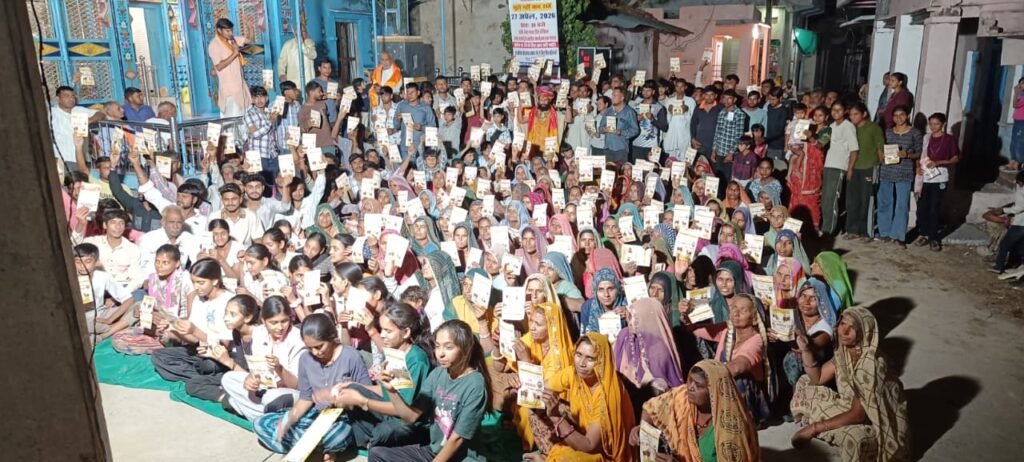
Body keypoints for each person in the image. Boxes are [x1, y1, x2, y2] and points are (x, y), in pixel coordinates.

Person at [790, 307, 910, 462]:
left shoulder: (870, 366)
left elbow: (858, 415)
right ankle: (828, 426)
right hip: (849, 405)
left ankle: (826, 428)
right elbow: (818, 378)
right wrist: (806, 350)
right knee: (805, 381)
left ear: (865, 333)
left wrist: (813, 429)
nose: (844, 331)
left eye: (852, 328)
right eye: (842, 324)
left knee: (853, 440)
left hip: (872, 420)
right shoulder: (845, 352)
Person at [365, 320, 491, 461]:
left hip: (462, 457)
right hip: (434, 451)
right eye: (437, 346)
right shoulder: (437, 374)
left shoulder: (475, 384)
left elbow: (457, 439)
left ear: (465, 349)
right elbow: (411, 416)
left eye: (448, 347)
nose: (440, 353)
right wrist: (392, 391)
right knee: (377, 454)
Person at [253, 313, 372, 457]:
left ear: (332, 337)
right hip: (317, 415)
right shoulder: (305, 359)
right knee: (260, 423)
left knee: (338, 436)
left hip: (344, 418)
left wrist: (339, 395)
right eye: (310, 348)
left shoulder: (351, 356)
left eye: (319, 346)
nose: (315, 352)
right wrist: (289, 419)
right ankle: (315, 447)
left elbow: (368, 393)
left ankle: (309, 446)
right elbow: (306, 398)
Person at [526, 333, 636, 462]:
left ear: (601, 361)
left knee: (569, 459)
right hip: (585, 433)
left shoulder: (607, 396)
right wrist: (524, 385)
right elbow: (540, 389)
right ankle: (549, 454)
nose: (581, 363)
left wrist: (556, 418)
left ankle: (549, 459)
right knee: (536, 406)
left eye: (590, 358)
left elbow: (589, 446)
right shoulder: (574, 373)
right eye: (578, 355)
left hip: (605, 453)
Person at [633, 360, 760, 462]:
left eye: (698, 385)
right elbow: (651, 408)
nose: (690, 388)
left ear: (714, 392)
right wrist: (643, 429)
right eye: (690, 381)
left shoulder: (732, 429)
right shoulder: (682, 397)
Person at [876, 105, 922, 248]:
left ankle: (899, 235)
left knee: (902, 205)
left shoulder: (915, 133)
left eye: (902, 115)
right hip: (886, 171)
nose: (899, 118)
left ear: (907, 115)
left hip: (904, 172)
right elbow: (881, 149)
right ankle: (884, 232)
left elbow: (919, 153)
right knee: (885, 202)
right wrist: (881, 155)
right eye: (896, 115)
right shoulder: (888, 132)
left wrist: (908, 155)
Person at [916, 112, 960, 251]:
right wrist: (918, 168)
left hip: (940, 177)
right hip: (925, 177)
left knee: (934, 208)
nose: (933, 127)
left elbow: (956, 158)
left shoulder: (949, 139)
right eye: (931, 124)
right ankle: (923, 233)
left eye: (936, 124)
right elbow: (920, 156)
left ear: (943, 124)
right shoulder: (926, 138)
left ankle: (933, 237)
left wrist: (939, 162)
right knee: (922, 207)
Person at [74, 243, 136, 342]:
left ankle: (104, 334)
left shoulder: (102, 277)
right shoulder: (69, 278)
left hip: (101, 315)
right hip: (83, 320)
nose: (82, 266)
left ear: (96, 262)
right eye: (78, 262)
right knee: (83, 325)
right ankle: (116, 328)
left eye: (88, 261)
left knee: (140, 307)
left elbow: (129, 299)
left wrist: (111, 319)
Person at [846, 102, 883, 241]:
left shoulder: (873, 128)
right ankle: (852, 230)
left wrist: (879, 165)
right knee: (852, 200)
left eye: (855, 114)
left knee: (866, 200)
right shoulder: (851, 129)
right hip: (854, 168)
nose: (852, 117)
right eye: (850, 114)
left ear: (864, 114)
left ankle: (866, 231)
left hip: (869, 167)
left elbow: (880, 149)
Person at [822, 101, 859, 236]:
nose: (836, 112)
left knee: (832, 199)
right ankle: (825, 227)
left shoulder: (848, 126)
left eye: (839, 110)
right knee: (825, 199)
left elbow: (854, 150)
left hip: (839, 166)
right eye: (833, 110)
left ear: (845, 111)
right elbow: (821, 143)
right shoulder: (831, 126)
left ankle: (829, 231)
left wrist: (850, 169)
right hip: (828, 165)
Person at [50, 86, 103, 167]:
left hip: (81, 160)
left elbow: (101, 114)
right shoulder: (51, 113)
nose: (71, 98)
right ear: (58, 99)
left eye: (73, 96)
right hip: (62, 159)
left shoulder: (79, 110)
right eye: (66, 96)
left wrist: (90, 120)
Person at [208, 18, 250, 117]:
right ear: (219, 30)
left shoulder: (232, 40)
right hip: (230, 90)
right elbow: (219, 66)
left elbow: (249, 40)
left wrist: (250, 27)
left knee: (243, 119)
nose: (230, 33)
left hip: (240, 86)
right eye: (227, 31)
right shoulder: (214, 45)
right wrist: (234, 54)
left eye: (231, 30)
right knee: (232, 120)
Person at [597, 88, 640, 165]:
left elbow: (635, 130)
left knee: (620, 171)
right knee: (608, 171)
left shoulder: (629, 112)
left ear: (622, 97)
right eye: (612, 95)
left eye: (615, 95)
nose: (612, 97)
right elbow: (600, 128)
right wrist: (604, 129)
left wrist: (621, 132)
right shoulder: (608, 111)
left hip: (621, 150)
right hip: (607, 149)